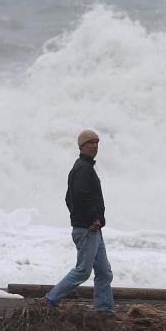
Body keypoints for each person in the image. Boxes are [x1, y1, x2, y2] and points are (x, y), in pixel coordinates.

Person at [41, 129, 114, 313]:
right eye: (90, 143)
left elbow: (68, 198)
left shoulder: (83, 167)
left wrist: (86, 218)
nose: (95, 146)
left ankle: (104, 309)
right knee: (83, 271)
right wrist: (91, 218)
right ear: (81, 146)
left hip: (93, 228)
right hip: (88, 228)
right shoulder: (83, 169)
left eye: (97, 143)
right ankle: (51, 299)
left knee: (104, 272)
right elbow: (80, 196)